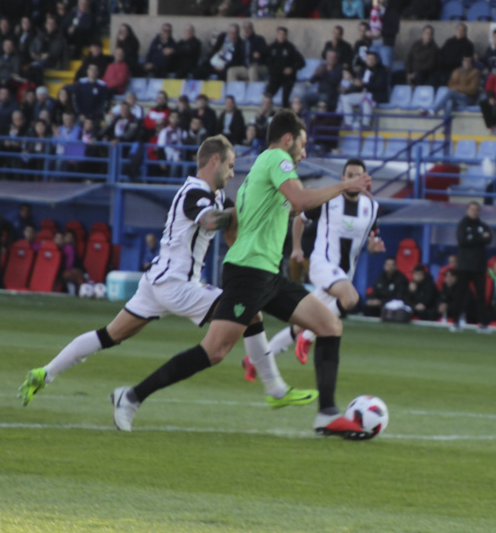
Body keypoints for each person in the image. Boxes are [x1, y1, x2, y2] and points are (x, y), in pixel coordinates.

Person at [108, 112, 373, 437]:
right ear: (288, 139)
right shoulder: (278, 158)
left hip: (266, 274)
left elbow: (290, 208)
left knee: (329, 325)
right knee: (214, 351)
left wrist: (317, 199)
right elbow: (300, 200)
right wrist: (345, 185)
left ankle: (327, 414)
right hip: (248, 273)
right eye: (302, 145)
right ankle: (131, 396)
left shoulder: (264, 168)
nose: (304, 153)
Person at [18, 137, 303, 407]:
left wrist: (288, 204)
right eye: (229, 167)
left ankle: (45, 372)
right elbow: (211, 222)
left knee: (110, 335)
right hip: (176, 285)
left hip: (155, 282)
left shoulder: (215, 196)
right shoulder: (195, 192)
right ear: (214, 160)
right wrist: (240, 213)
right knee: (250, 312)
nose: (231, 175)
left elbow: (250, 212)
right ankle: (275, 388)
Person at [262, 159, 384, 370]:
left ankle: (258, 360)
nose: (354, 179)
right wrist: (297, 248)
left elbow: (372, 240)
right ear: (343, 178)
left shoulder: (371, 208)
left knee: (302, 323)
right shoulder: (329, 200)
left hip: (344, 275)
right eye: (350, 175)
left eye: (359, 176)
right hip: (322, 264)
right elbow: (300, 218)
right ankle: (308, 338)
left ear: (365, 180)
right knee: (350, 298)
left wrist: (374, 248)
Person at [450, 202, 492, 332]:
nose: (474, 212)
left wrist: (473, 238)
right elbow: (462, 240)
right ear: (467, 210)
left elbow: (489, 239)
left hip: (479, 266)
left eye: (476, 210)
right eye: (472, 209)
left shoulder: (482, 225)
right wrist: (480, 238)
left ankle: (482, 323)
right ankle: (455, 322)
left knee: (481, 296)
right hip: (464, 266)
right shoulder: (462, 225)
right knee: (460, 295)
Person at [264, 27, 305, 108]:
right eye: (280, 34)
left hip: (287, 78)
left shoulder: (290, 48)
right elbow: (264, 59)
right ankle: (265, 116)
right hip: (275, 76)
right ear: (277, 35)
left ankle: (286, 116)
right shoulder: (271, 47)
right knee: (267, 97)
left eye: (284, 35)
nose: (281, 36)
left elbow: (301, 62)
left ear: (286, 36)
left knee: (285, 99)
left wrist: (292, 68)